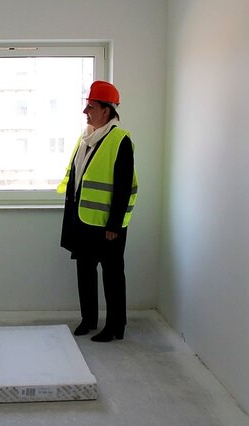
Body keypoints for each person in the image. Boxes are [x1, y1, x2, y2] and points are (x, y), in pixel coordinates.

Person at [57, 80, 138, 342]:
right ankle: (88, 319)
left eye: (90, 107)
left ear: (106, 110)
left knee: (112, 276)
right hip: (83, 221)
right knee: (85, 272)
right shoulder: (86, 139)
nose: (86, 112)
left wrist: (114, 225)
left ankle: (115, 326)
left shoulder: (119, 140)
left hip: (107, 227)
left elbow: (123, 187)